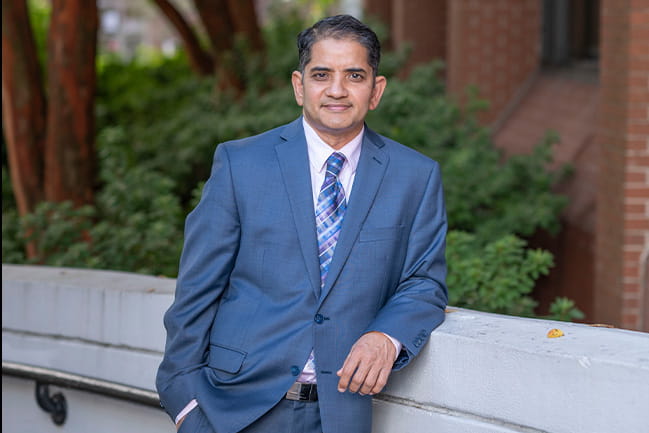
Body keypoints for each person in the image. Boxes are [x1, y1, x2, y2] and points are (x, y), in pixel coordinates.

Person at [156, 14, 448, 433]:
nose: (336, 90)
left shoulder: (415, 177)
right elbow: (196, 294)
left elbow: (424, 283)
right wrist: (185, 404)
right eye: (322, 74)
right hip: (232, 411)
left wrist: (386, 336)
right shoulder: (241, 165)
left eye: (354, 75)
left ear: (376, 90)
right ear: (299, 86)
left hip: (341, 414)